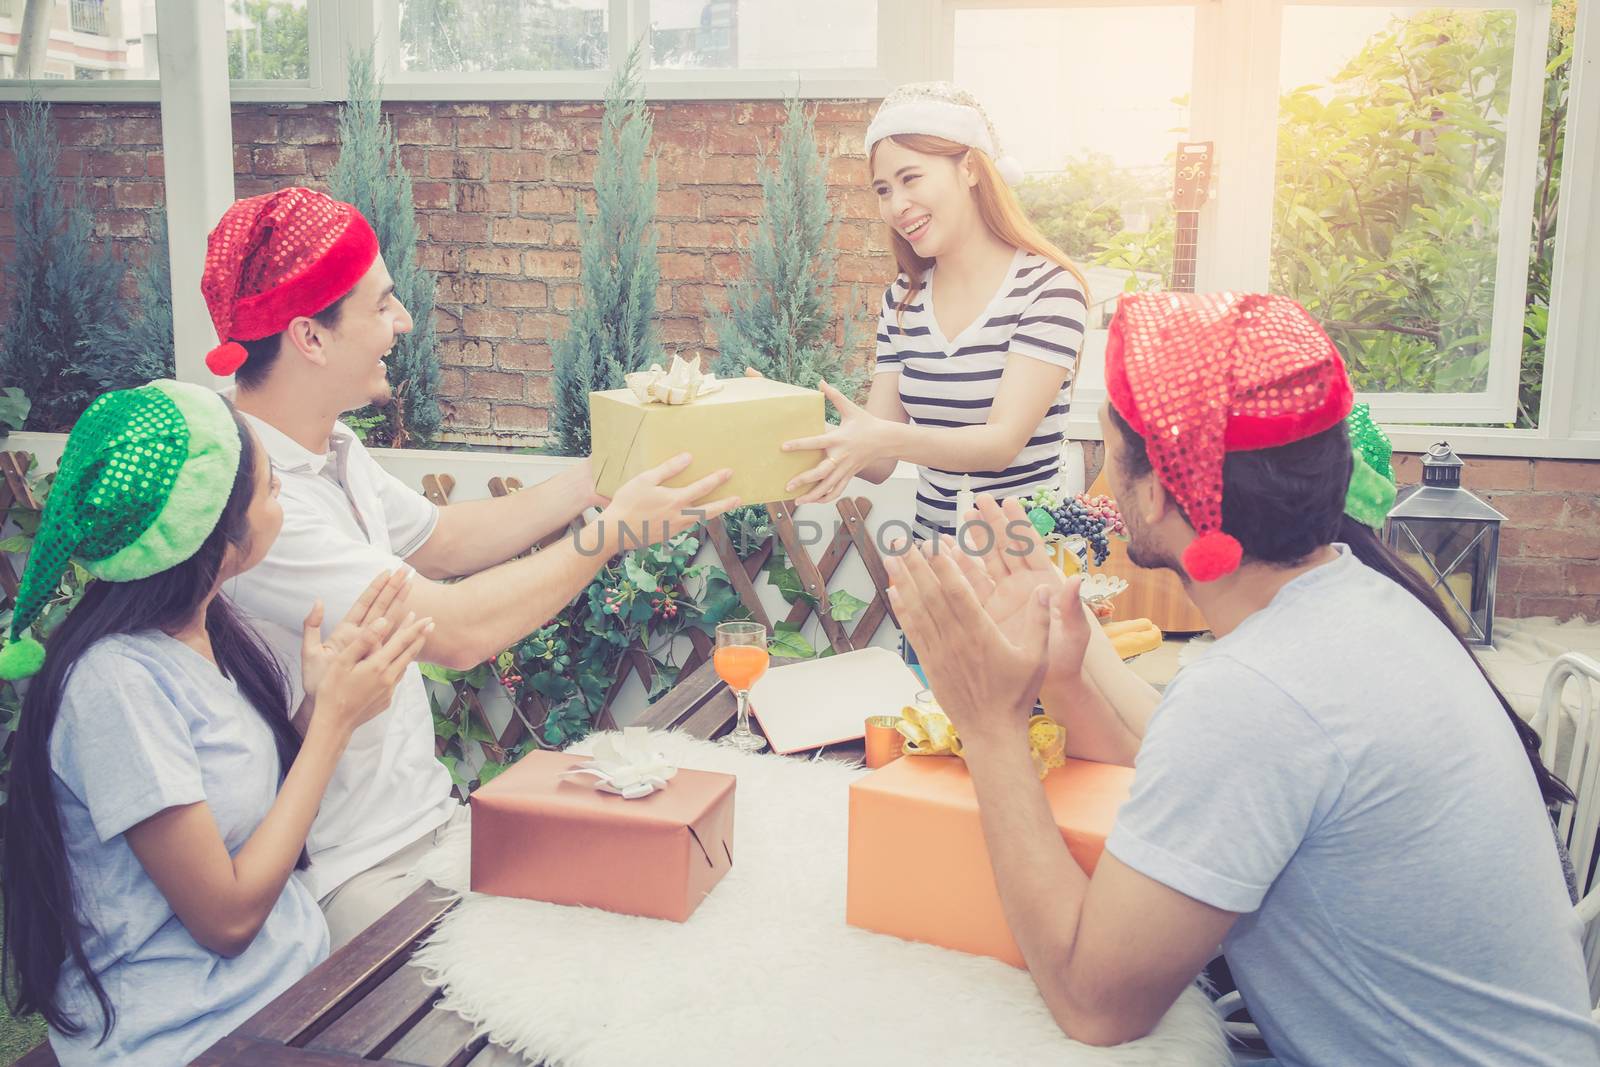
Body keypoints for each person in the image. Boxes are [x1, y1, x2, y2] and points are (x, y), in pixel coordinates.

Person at [883, 291, 1599, 1065]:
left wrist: (990, 726)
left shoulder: (1258, 692)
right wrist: (1071, 673)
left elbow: (1094, 1002)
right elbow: (1204, 780)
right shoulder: (1354, 599)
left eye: (1108, 446)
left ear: (1154, 489)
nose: (1100, 472)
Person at [198, 187, 739, 951]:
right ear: (310, 338)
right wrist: (610, 535)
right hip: (351, 874)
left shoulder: (330, 451)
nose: (404, 323)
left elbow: (446, 538)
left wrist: (596, 481)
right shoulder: (257, 503)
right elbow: (452, 631)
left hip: (430, 827)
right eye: (383, 305)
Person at [0, 381, 429, 1065]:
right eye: (268, 489)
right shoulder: (115, 686)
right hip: (185, 1036)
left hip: (279, 997)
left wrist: (319, 702)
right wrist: (332, 729)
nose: (281, 496)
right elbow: (225, 918)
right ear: (215, 533)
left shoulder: (204, 628)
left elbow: (245, 814)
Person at [774, 82, 1091, 540]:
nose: (896, 205)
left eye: (910, 178)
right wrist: (771, 421)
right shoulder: (903, 299)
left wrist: (880, 437)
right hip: (934, 566)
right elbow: (879, 461)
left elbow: (1000, 444)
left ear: (969, 170)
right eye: (883, 189)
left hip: (1025, 570)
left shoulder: (1047, 288)